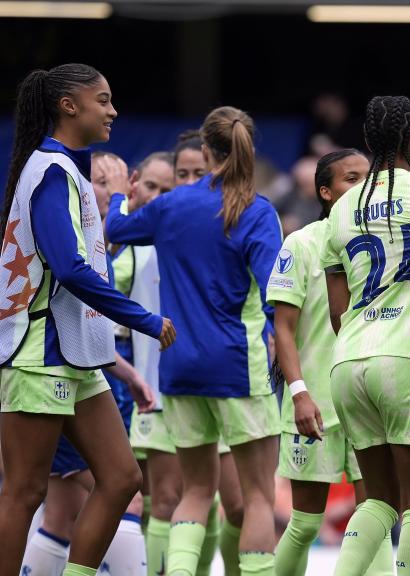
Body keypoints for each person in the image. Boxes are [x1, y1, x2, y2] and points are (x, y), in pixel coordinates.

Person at [0, 63, 175, 576]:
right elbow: (68, 266)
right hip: (40, 353)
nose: (113, 110)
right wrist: (142, 318)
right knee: (26, 491)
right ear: (68, 106)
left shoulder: (67, 170)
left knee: (122, 479)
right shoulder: (50, 171)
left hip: (77, 353)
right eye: (103, 99)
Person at [106, 106, 282, 576]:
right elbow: (275, 292)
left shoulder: (171, 205)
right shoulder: (257, 211)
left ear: (206, 151)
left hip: (177, 365)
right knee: (259, 496)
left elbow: (116, 230)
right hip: (237, 366)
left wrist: (118, 197)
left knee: (195, 492)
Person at [323, 96, 410, 576]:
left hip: (350, 360)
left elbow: (338, 312)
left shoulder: (341, 210)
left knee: (379, 499)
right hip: (409, 356)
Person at [268, 148, 376, 576]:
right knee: (306, 522)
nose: (363, 186)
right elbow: (284, 330)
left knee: (375, 516)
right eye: (351, 178)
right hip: (315, 406)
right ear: (326, 191)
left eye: (368, 177)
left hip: (369, 401)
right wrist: (299, 394)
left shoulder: (381, 245)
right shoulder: (301, 244)